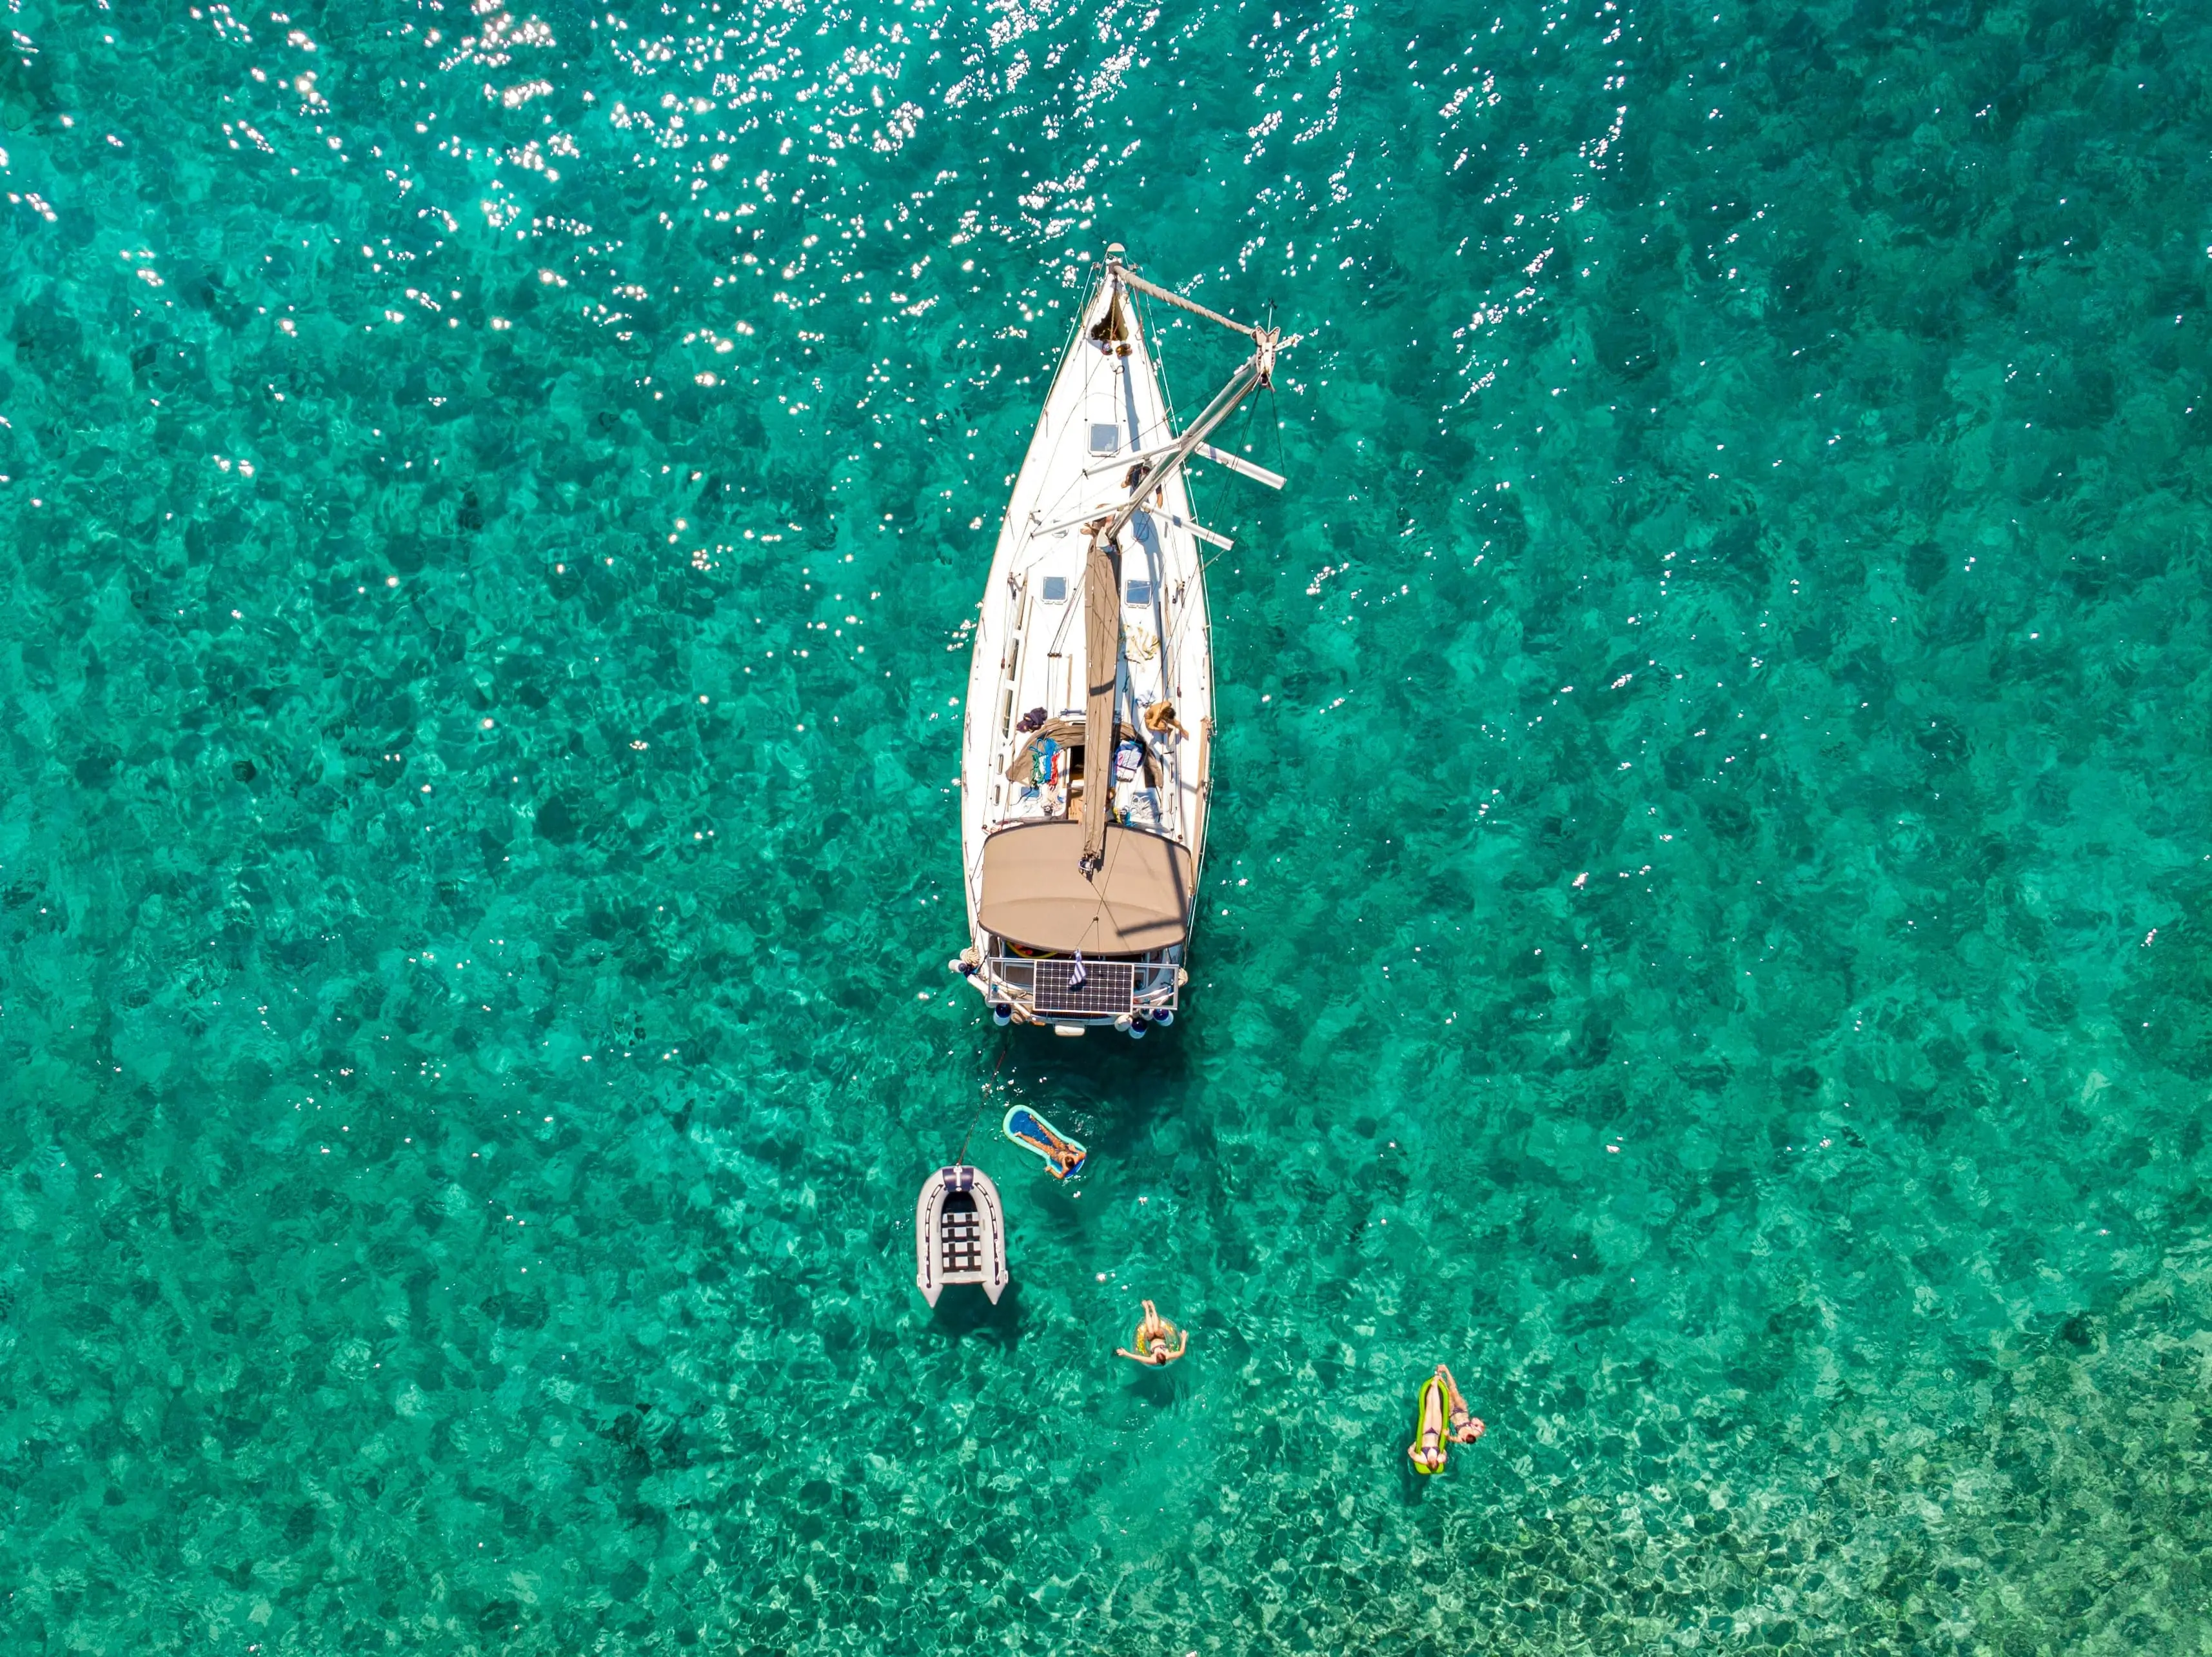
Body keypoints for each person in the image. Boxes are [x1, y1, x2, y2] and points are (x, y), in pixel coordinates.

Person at [1115, 1300, 1188, 1365]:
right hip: (1161, 1337)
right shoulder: (1168, 1355)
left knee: (1150, 1331)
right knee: (1156, 1329)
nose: (1159, 1351)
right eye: (1161, 1352)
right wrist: (1184, 1338)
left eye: (1158, 1353)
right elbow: (1181, 1352)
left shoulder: (1153, 1360)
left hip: (1151, 1339)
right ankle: (1153, 1308)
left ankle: (1146, 1309)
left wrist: (1125, 1353)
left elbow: (1138, 1357)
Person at [1408, 1376, 1448, 1473]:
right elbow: (1445, 1454)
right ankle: (1434, 1386)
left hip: (1425, 1432)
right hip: (1436, 1432)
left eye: (1432, 1461)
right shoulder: (1440, 1459)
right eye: (1435, 1461)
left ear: (1429, 1464)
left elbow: (1410, 1452)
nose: (1434, 1460)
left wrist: (1415, 1444)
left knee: (1429, 1409)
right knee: (1437, 1409)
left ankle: (1432, 1386)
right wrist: (1446, 1437)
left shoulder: (1423, 1459)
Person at [1438, 1364, 1485, 1444]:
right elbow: (1482, 1427)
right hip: (1463, 1410)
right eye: (1467, 1434)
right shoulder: (1476, 1433)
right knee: (1454, 1390)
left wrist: (1447, 1435)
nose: (1464, 1435)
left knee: (1447, 1394)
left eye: (1464, 1436)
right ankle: (1446, 1370)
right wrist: (1478, 1422)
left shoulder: (1460, 1439)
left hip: (1452, 1413)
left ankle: (1439, 1377)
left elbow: (1450, 1438)